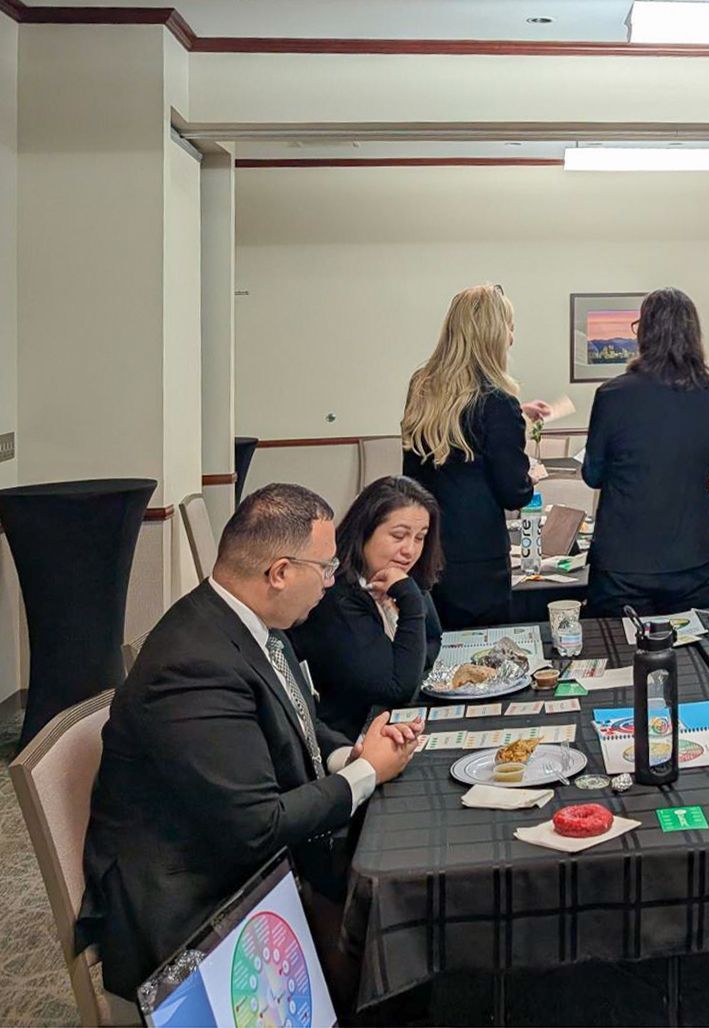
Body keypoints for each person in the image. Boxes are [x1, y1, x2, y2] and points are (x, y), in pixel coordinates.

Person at [77, 484, 423, 1003]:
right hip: (199, 908)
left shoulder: (254, 619)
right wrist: (367, 773)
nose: (331, 583)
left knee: (401, 888)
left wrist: (348, 753)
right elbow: (257, 828)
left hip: (250, 864)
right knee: (398, 938)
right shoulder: (193, 668)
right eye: (325, 569)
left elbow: (298, 721)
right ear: (280, 572)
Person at [402, 283, 543, 628]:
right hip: (479, 565)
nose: (512, 337)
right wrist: (531, 477)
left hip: (426, 552)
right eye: (509, 327)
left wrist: (513, 417)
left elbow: (452, 443)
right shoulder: (497, 403)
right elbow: (514, 493)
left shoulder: (423, 387)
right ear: (494, 334)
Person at [582, 287, 709, 615]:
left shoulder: (613, 395)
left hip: (624, 564)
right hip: (694, 558)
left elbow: (592, 474)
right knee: (694, 661)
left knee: (618, 658)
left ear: (644, 333)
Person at [289, 475, 444, 737]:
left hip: (387, 725)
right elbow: (399, 690)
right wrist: (409, 599)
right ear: (364, 531)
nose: (410, 550)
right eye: (399, 535)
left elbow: (431, 642)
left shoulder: (399, 576)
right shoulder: (336, 594)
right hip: (348, 738)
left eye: (420, 538)